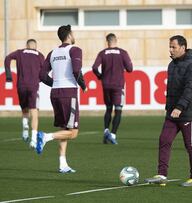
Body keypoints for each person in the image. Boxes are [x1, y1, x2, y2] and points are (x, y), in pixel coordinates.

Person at [145, 35, 192, 187]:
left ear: (183, 48)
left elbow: (190, 89)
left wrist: (180, 107)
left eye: (173, 47)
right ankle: (162, 175)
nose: (170, 50)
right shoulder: (172, 65)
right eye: (169, 47)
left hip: (188, 111)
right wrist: (171, 108)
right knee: (164, 140)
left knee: (190, 145)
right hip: (172, 112)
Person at [38, 25, 87, 173]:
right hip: (68, 93)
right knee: (73, 132)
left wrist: (54, 83)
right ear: (70, 35)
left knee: (64, 129)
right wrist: (83, 85)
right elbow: (76, 70)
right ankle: (45, 137)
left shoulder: (52, 53)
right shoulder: (75, 50)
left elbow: (41, 75)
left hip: (55, 93)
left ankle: (62, 164)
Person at [92, 33, 133, 144]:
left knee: (108, 109)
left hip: (106, 84)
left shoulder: (102, 53)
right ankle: (113, 135)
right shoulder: (122, 53)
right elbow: (130, 69)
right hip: (118, 85)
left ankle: (106, 131)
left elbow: (94, 67)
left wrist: (100, 76)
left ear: (107, 41)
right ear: (116, 40)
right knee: (118, 110)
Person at [4, 39, 45, 148]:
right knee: (34, 112)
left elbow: (7, 58)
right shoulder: (40, 55)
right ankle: (33, 140)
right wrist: (39, 80)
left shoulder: (20, 52)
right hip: (33, 87)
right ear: (35, 46)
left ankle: (25, 128)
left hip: (21, 86)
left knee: (25, 109)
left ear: (26, 45)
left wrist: (8, 75)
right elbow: (44, 71)